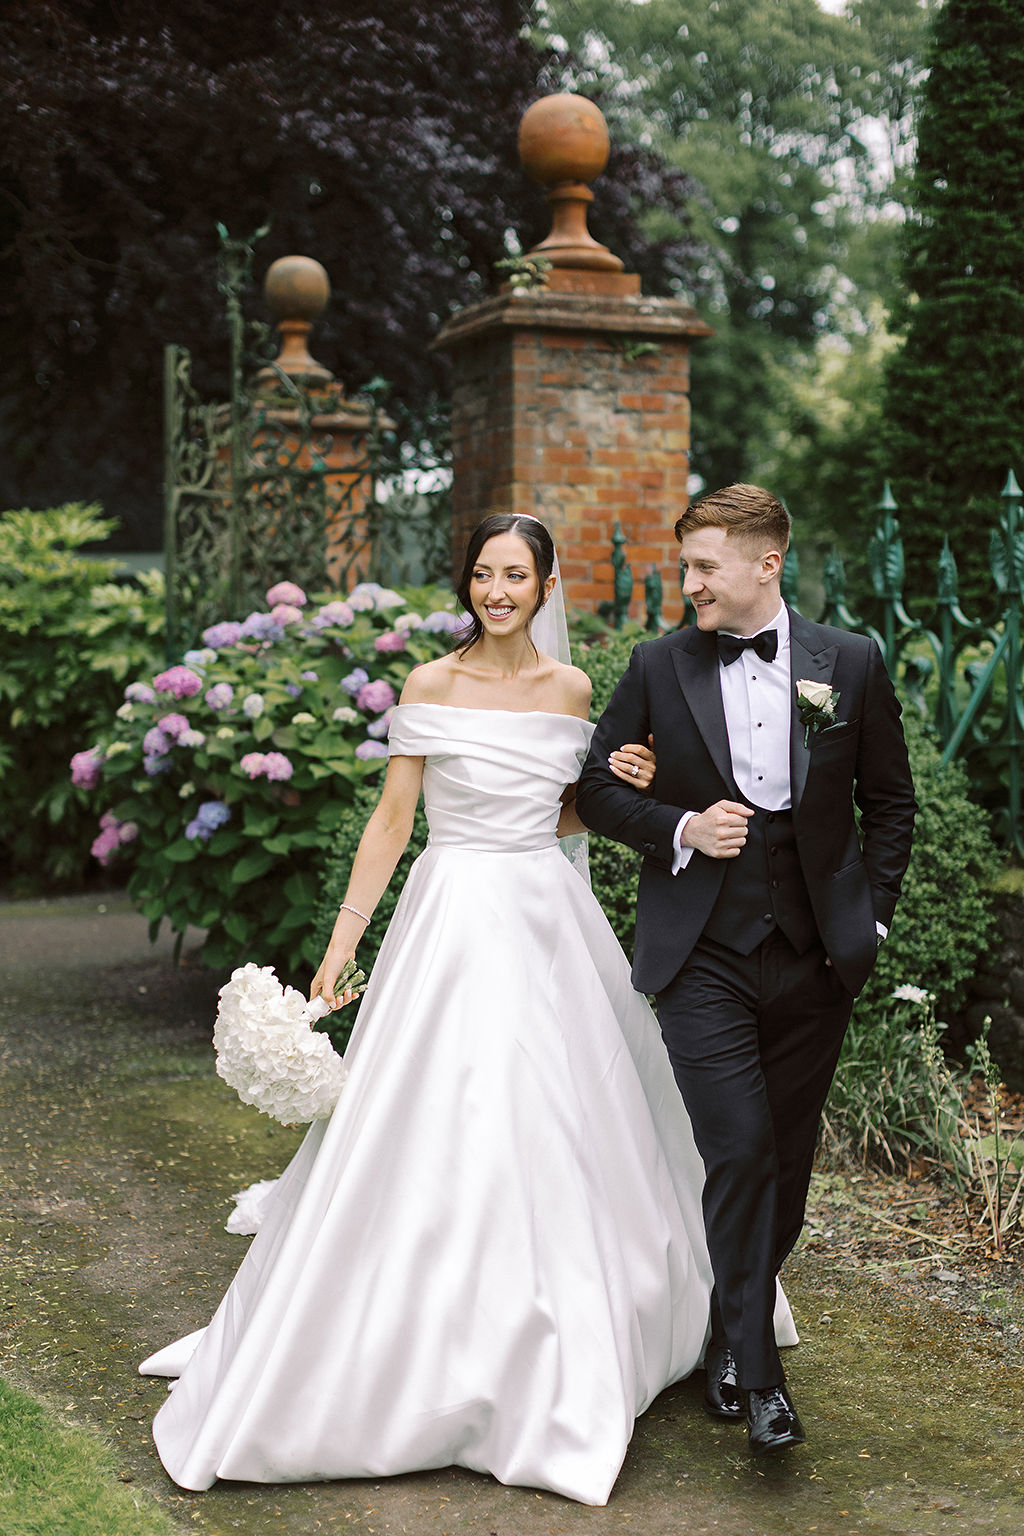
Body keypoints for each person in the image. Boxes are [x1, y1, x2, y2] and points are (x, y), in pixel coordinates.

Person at [139, 512, 797, 1506]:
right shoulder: (430, 686)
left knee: (566, 1112)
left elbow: (567, 813)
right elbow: (394, 820)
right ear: (468, 584)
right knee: (437, 1111)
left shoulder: (572, 689)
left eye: (516, 576)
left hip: (545, 913)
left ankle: (578, 1325)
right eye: (484, 575)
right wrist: (342, 941)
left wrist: (629, 780)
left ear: (543, 589)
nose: (497, 592)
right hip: (448, 917)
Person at [576, 483, 916, 1456]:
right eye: (683, 567)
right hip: (701, 955)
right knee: (739, 1148)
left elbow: (889, 803)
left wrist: (873, 921)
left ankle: (728, 1330)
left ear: (766, 563)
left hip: (814, 957)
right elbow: (595, 788)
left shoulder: (847, 662)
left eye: (702, 567)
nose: (687, 586)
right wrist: (679, 825)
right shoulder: (656, 665)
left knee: (790, 1163)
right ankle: (758, 1376)